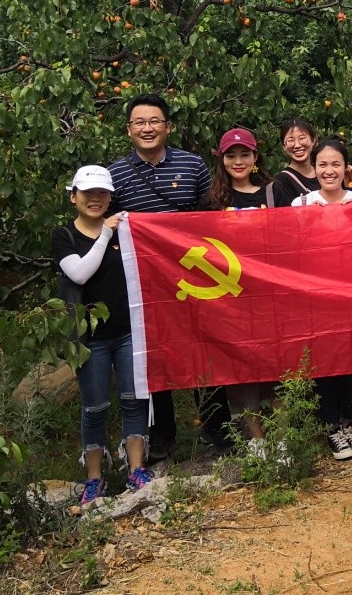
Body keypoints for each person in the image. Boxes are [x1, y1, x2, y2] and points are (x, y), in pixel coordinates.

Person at [107, 93, 216, 462]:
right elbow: (107, 227)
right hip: (147, 286)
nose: (147, 128)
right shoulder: (115, 175)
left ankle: (217, 429)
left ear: (168, 126)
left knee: (205, 350)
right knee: (155, 357)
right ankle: (162, 440)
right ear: (129, 130)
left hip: (195, 279)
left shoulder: (193, 165)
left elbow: (210, 217)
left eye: (154, 121)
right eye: (139, 122)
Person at [52, 166, 150, 508]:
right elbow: (79, 273)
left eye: (102, 193)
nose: (96, 199)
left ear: (110, 197)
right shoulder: (64, 235)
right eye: (88, 193)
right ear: (73, 196)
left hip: (128, 331)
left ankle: (136, 469)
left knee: (134, 400)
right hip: (88, 339)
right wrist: (107, 234)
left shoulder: (126, 231)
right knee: (94, 407)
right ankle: (94, 477)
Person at [292, 138, 352, 460]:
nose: (329, 171)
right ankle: (330, 425)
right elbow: (293, 250)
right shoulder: (301, 204)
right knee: (323, 359)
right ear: (314, 168)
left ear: (346, 168)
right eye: (322, 164)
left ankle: (349, 421)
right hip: (317, 297)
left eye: (336, 164)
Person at [203, 127, 277, 458]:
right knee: (242, 369)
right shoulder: (212, 201)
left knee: (276, 363)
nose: (238, 161)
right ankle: (257, 439)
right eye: (231, 155)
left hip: (271, 294)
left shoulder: (273, 192)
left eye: (244, 154)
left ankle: (283, 437)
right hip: (231, 298)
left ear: (255, 157)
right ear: (222, 160)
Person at [267, 117, 318, 208]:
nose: (297, 145)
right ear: (283, 146)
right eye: (290, 140)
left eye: (302, 138)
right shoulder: (280, 182)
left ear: (313, 140)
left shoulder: (325, 173)